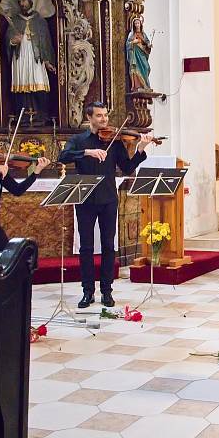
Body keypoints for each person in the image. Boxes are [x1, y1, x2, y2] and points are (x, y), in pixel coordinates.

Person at [59, 102, 154, 308]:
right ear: (89, 117)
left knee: (108, 247)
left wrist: (140, 149)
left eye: (105, 116)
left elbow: (127, 168)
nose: (104, 120)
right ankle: (87, 292)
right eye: (99, 116)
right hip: (84, 199)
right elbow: (62, 157)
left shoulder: (115, 141)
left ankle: (107, 291)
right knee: (85, 247)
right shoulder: (78, 140)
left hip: (108, 199)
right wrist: (87, 152)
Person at [6, 0, 56, 124]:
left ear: (30, 1)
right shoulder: (14, 21)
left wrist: (47, 61)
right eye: (20, 1)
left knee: (39, 83)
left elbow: (46, 42)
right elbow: (7, 40)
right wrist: (12, 41)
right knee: (22, 83)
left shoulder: (40, 21)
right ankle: (22, 116)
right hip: (20, 57)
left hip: (36, 58)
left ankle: (42, 115)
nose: (22, 4)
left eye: (24, 0)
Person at [126, 16, 152, 92]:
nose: (137, 25)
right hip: (134, 55)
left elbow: (147, 43)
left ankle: (146, 86)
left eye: (138, 23)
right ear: (133, 25)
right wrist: (133, 42)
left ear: (141, 24)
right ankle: (138, 86)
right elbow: (128, 44)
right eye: (135, 23)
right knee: (135, 69)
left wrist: (149, 46)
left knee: (146, 67)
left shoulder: (143, 34)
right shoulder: (131, 34)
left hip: (142, 54)